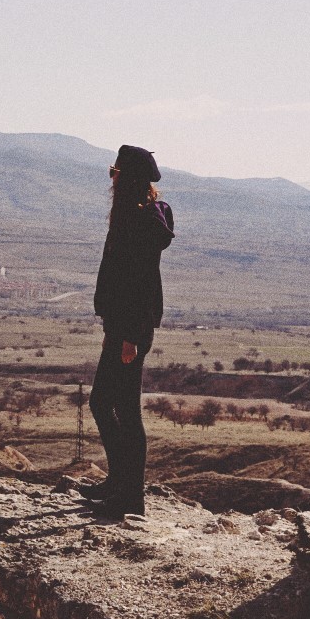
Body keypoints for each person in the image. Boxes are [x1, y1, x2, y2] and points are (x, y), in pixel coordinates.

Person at [77, 144, 174, 518]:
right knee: (104, 402)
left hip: (132, 329)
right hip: (120, 326)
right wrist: (111, 326)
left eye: (114, 171)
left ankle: (131, 496)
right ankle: (119, 483)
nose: (111, 178)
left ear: (126, 178)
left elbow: (141, 281)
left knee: (124, 410)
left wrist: (130, 335)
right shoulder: (129, 215)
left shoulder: (141, 221)